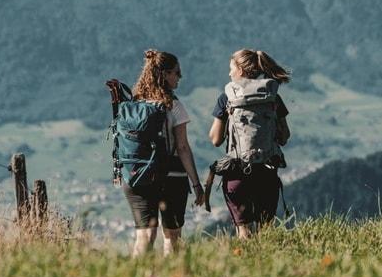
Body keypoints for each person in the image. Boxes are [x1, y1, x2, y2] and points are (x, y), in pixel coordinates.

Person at [123, 49, 205, 257]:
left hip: (136, 175)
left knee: (144, 235)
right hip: (171, 177)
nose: (180, 77)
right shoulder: (172, 105)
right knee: (171, 235)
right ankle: (171, 275)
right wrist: (196, 184)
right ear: (165, 74)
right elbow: (182, 147)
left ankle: (135, 275)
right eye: (177, 72)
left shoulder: (134, 105)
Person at [208, 48, 291, 238]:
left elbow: (215, 139)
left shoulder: (226, 98)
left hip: (238, 173)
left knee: (243, 232)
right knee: (266, 231)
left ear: (241, 70)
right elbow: (284, 136)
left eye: (231, 68)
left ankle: (244, 255)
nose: (229, 73)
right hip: (267, 172)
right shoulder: (272, 96)